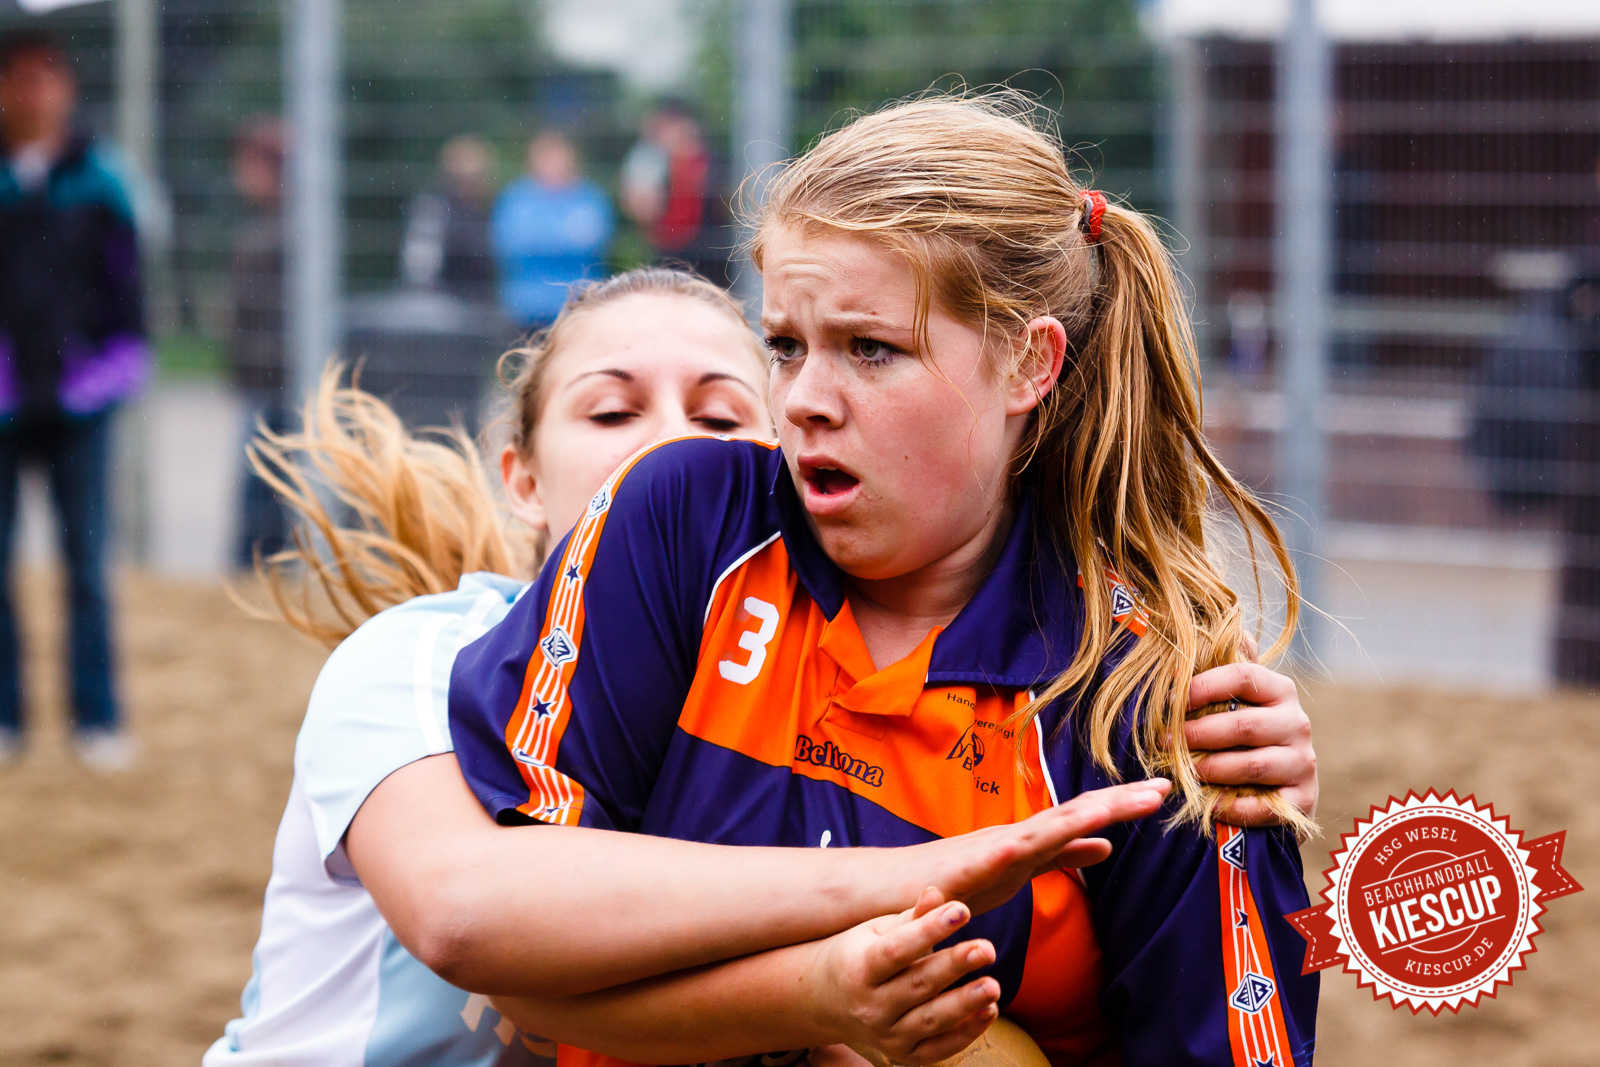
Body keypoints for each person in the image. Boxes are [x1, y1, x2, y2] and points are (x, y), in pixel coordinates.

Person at [209, 266, 1318, 1065]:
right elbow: (473, 913)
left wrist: (1224, 768)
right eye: (611, 408)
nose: (665, 444)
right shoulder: (416, 652)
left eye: (718, 413)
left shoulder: (784, 663)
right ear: (524, 476)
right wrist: (886, 917)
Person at [448, 95, 1318, 1066]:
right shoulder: (681, 521)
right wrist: (837, 971)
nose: (807, 401)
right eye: (785, 344)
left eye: (870, 348)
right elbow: (487, 925)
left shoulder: (1151, 698)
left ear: (1028, 362)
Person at [0, 31, 149, 770]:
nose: (31, 93)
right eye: (16, 79)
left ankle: (99, 720)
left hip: (79, 407)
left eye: (43, 78)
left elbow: (131, 299)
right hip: (1, 404)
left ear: (66, 88)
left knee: (86, 567)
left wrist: (101, 379)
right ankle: (7, 721)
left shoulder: (102, 183)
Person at [225, 115, 292, 569]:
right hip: (259, 373)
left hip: (277, 377)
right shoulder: (263, 224)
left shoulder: (289, 230)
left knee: (265, 479)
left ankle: (257, 562)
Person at [492, 130, 613, 332]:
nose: (553, 164)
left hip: (579, 306)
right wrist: (566, 237)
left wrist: (541, 237)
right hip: (527, 307)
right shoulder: (515, 199)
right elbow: (510, 245)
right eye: (546, 157)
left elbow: (595, 243)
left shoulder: (590, 197)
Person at [621, 100, 729, 285]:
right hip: (669, 252)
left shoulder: (710, 161)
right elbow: (642, 210)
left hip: (709, 253)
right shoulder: (653, 162)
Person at [401, 134, 496, 302]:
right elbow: (420, 267)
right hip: (440, 304)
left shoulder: (489, 211)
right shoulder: (432, 208)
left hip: (479, 305)